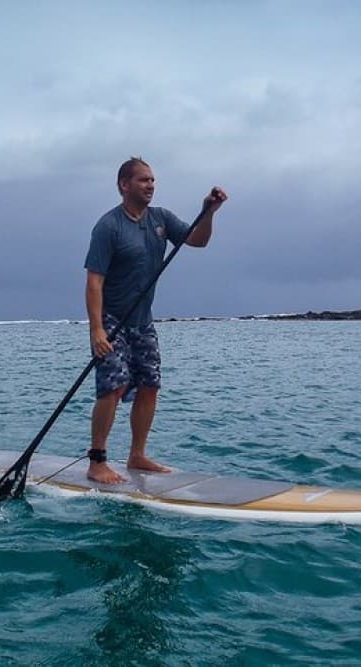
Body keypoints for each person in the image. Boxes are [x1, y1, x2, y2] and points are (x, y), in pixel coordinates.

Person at [83, 157, 227, 484]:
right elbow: (94, 282)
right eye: (143, 180)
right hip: (111, 318)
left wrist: (208, 212)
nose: (150, 185)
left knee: (149, 386)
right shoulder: (108, 227)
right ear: (124, 185)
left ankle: (137, 455)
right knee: (114, 386)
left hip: (142, 320)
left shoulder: (160, 218)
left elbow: (198, 240)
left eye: (152, 180)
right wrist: (97, 330)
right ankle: (97, 461)